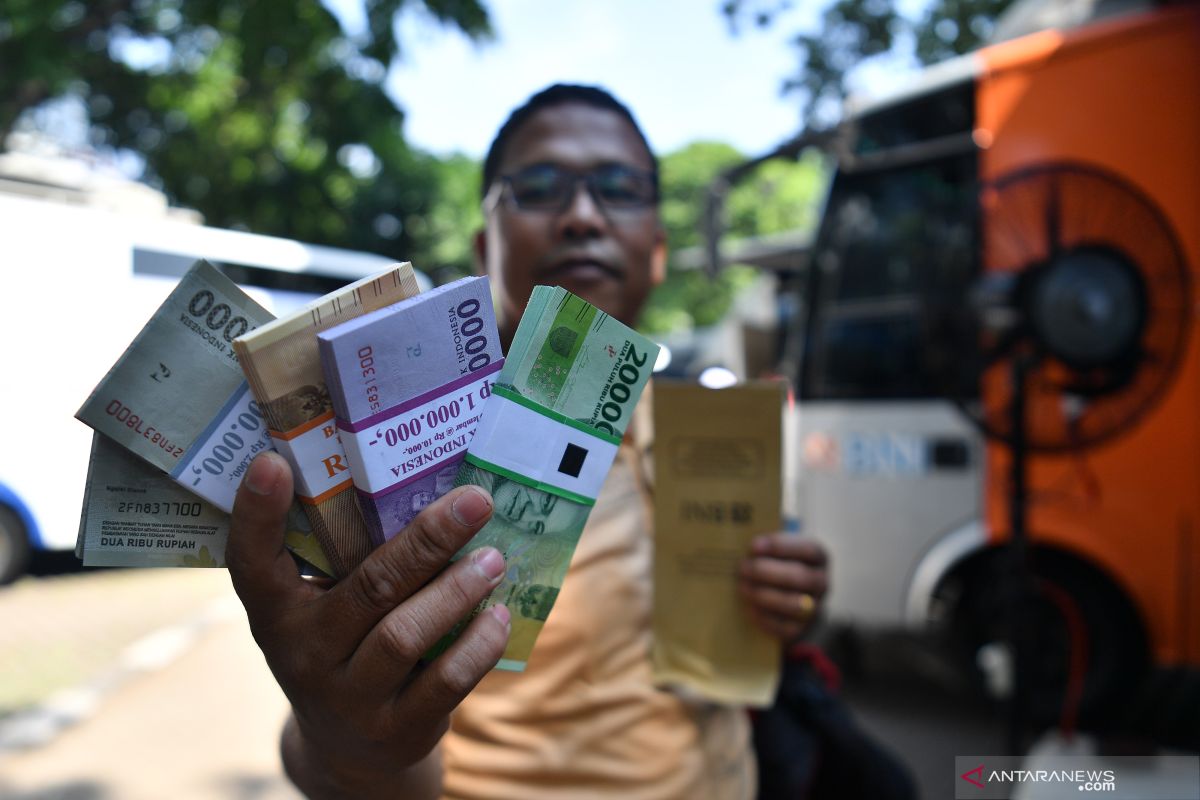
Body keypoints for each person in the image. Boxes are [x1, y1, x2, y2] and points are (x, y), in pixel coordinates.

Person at [227, 83, 830, 800]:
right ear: (486, 247)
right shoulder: (409, 468)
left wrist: (796, 605)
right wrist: (347, 744)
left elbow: (776, 622)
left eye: (619, 188)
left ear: (659, 251)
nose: (582, 215)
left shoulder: (710, 431)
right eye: (540, 187)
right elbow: (343, 742)